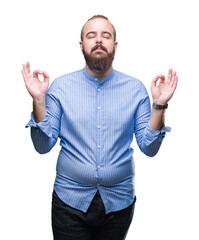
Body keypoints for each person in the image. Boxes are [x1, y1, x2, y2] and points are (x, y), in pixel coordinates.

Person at [21, 15, 178, 240]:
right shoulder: (60, 88)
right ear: (81, 45)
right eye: (91, 35)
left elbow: (149, 148)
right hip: (69, 202)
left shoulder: (135, 89)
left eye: (106, 35)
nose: (98, 40)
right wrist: (38, 100)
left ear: (114, 45)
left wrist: (159, 105)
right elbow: (43, 146)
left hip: (119, 203)